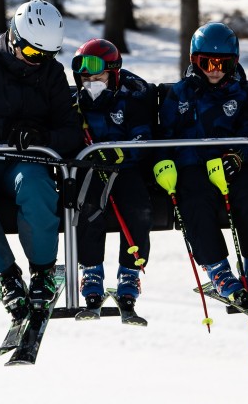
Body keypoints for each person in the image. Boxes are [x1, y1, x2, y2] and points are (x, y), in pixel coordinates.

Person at [0, 0, 84, 320]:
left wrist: (42, 137)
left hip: (25, 160)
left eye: (48, 56)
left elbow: (70, 132)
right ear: (14, 39)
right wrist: (8, 129)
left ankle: (42, 270)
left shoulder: (51, 74)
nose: (39, 63)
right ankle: (6, 276)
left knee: (37, 188)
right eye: (34, 54)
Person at [158, 22, 248, 303]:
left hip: (230, 167)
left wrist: (238, 157)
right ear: (194, 61)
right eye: (206, 62)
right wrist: (164, 163)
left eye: (222, 63)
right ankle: (217, 267)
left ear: (233, 63)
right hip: (193, 168)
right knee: (195, 199)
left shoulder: (242, 94)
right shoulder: (179, 95)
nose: (214, 69)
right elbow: (165, 135)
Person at [71, 38, 154, 314]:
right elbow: (65, 138)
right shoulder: (75, 104)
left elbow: (144, 136)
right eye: (86, 77)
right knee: (89, 206)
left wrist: (119, 153)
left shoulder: (132, 96)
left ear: (114, 73)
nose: (92, 81)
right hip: (91, 170)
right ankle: (91, 268)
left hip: (125, 169)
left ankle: (130, 270)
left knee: (139, 206)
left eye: (99, 75)